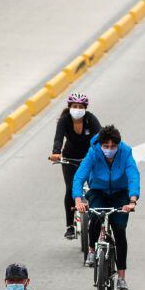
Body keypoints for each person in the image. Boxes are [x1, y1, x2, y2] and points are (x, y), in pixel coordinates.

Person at [73, 125, 140, 290]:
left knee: (119, 229)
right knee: (95, 217)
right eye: (106, 146)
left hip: (120, 193)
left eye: (113, 147)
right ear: (100, 145)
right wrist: (78, 200)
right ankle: (90, 250)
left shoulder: (125, 152)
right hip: (98, 191)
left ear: (118, 145)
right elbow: (80, 176)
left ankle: (122, 279)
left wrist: (132, 201)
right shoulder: (93, 152)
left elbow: (133, 175)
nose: (109, 150)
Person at [48, 92, 102, 239]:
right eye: (75, 106)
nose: (77, 109)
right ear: (70, 107)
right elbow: (58, 138)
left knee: (94, 187)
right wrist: (56, 152)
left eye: (80, 106)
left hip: (89, 159)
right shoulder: (64, 120)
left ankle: (98, 218)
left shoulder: (91, 119)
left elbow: (100, 137)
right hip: (70, 159)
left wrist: (102, 152)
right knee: (71, 189)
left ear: (85, 108)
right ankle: (70, 226)